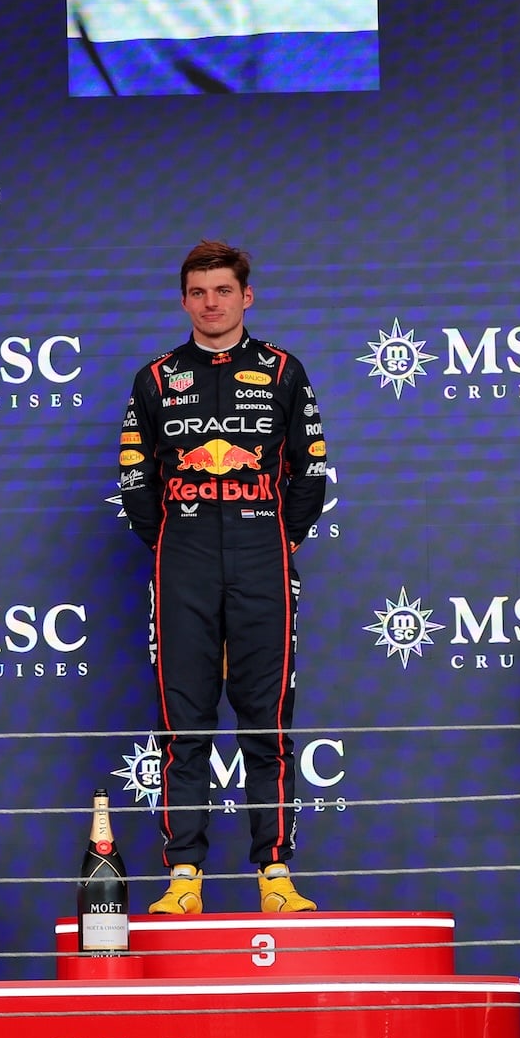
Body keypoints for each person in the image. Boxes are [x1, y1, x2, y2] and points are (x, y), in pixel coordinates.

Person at [119, 240, 327, 914]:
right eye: (199, 292)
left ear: (247, 296)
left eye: (223, 291)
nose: (211, 303)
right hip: (181, 561)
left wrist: (270, 535)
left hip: (262, 555)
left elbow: (312, 474)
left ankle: (275, 872)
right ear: (184, 300)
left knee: (266, 721)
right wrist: (177, 538)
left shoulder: (284, 371)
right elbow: (135, 482)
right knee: (185, 724)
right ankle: (184, 875)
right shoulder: (154, 378)